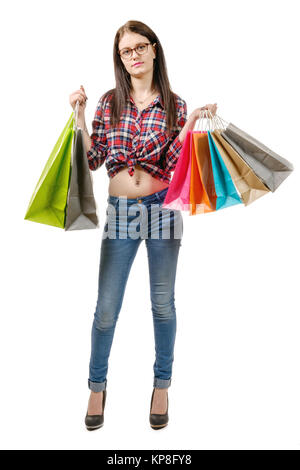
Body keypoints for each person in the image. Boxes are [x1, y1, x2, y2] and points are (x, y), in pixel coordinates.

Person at [69, 20, 217, 431]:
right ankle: (97, 388)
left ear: (154, 50)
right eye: (125, 51)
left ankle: (161, 386)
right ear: (120, 59)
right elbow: (94, 158)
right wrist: (80, 116)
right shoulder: (108, 102)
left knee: (162, 305)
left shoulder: (175, 105)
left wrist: (189, 128)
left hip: (163, 210)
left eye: (139, 48)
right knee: (106, 310)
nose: (133, 56)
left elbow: (174, 164)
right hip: (121, 213)